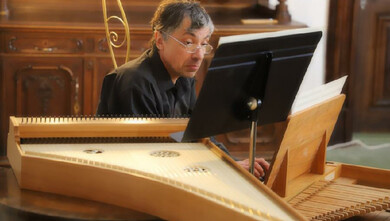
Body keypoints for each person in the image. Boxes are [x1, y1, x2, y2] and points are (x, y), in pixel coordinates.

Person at [97, 0, 269, 179]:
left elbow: (199, 134)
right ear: (159, 40)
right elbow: (150, 159)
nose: (199, 55)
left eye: (204, 44)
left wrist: (231, 162)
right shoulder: (135, 83)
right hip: (131, 181)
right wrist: (221, 169)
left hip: (171, 171)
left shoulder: (183, 76)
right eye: (189, 42)